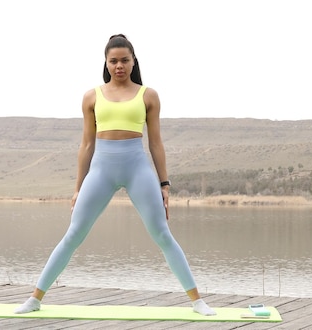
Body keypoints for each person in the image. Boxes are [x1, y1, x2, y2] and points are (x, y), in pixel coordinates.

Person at [14, 34, 216, 316]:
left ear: (133, 62)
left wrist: (165, 184)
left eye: (124, 60)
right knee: (73, 234)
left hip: (138, 169)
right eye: (113, 61)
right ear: (106, 63)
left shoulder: (149, 95)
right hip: (101, 170)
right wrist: (77, 187)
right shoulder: (91, 96)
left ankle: (198, 302)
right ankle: (34, 299)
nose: (119, 65)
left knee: (162, 234)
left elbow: (156, 143)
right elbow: (86, 144)